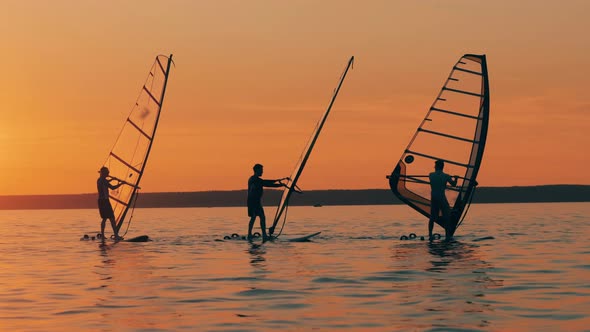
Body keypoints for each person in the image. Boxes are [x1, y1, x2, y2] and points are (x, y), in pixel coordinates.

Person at [247, 163, 288, 242]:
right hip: (253, 202)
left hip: (255, 201)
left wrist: (278, 181)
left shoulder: (254, 179)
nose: (262, 172)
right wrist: (279, 184)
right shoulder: (254, 179)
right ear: (257, 170)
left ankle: (251, 234)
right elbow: (266, 183)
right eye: (261, 170)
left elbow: (265, 182)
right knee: (259, 217)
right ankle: (262, 235)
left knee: (256, 217)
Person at [428, 160, 458, 241]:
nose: (434, 167)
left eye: (435, 166)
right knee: (446, 217)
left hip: (434, 198)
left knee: (432, 217)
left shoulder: (430, 175)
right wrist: (456, 179)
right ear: (442, 167)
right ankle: (447, 235)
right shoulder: (446, 176)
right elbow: (454, 185)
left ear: (436, 167)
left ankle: (430, 235)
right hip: (441, 197)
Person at [97, 166, 124, 241]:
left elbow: (105, 182)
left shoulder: (99, 180)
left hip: (100, 201)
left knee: (104, 218)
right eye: (107, 172)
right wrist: (121, 184)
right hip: (105, 201)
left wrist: (112, 179)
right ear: (103, 173)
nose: (108, 173)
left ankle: (102, 235)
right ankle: (116, 235)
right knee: (112, 218)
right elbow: (112, 187)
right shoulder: (104, 180)